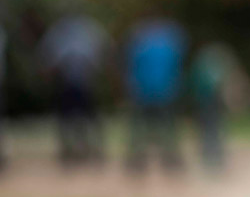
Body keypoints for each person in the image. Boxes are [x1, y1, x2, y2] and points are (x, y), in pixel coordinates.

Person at [39, 13, 110, 166]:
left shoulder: (86, 30)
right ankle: (71, 150)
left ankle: (88, 148)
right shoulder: (62, 31)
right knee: (69, 119)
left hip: (83, 82)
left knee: (85, 118)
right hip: (69, 82)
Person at [124, 17, 187, 173]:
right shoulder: (170, 41)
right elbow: (177, 66)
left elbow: (130, 66)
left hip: (143, 91)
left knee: (140, 129)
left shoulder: (139, 41)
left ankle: (137, 160)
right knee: (168, 127)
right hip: (165, 91)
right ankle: (171, 160)